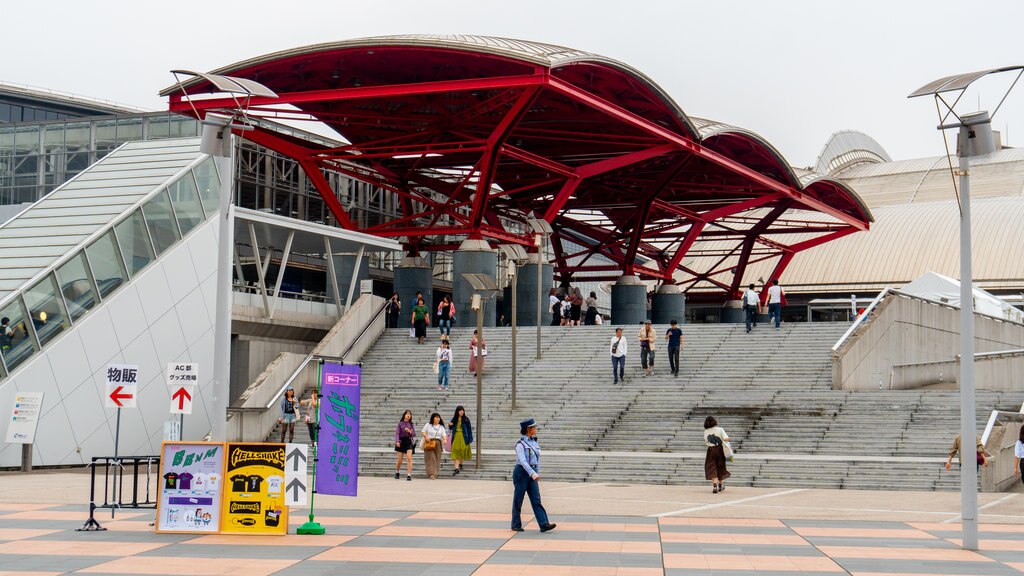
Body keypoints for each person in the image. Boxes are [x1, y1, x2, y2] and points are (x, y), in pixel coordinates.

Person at [511, 418, 556, 533]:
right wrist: (532, 473)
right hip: (522, 472)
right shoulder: (520, 444)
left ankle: (543, 524)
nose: (536, 429)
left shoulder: (534, 442)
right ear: (528, 429)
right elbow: (522, 461)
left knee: (536, 499)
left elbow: (537, 459)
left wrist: (536, 471)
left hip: (532, 472)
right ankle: (515, 524)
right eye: (534, 427)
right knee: (518, 499)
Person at [703, 416, 731, 494]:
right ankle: (720, 485)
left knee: (711, 467)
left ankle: (714, 485)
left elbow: (706, 442)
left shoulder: (706, 431)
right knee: (720, 467)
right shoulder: (720, 429)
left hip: (710, 450)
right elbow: (726, 439)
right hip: (720, 450)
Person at [421, 412, 447, 480]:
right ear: (433, 418)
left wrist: (444, 440)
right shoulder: (428, 425)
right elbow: (423, 432)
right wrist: (426, 436)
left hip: (438, 443)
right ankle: (431, 474)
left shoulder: (441, 427)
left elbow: (444, 435)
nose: (438, 419)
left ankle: (435, 473)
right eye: (436, 417)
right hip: (429, 442)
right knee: (431, 458)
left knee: (437, 459)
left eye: (438, 417)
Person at [449, 406, 473, 475]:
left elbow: (469, 429)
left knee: (462, 452)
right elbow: (450, 427)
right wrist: (450, 425)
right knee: (456, 452)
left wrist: (470, 438)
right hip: (456, 436)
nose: (461, 412)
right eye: (460, 410)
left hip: (464, 437)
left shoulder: (466, 419)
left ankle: (460, 464)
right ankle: (456, 468)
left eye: (462, 410)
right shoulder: (454, 418)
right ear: (457, 411)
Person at [394, 410, 416, 481]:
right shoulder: (400, 424)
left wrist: (409, 431)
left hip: (408, 441)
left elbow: (414, 434)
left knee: (409, 458)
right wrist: (397, 441)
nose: (408, 415)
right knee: (400, 460)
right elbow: (397, 433)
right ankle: (397, 472)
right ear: (404, 415)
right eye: (407, 414)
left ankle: (409, 475)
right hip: (401, 441)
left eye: (409, 414)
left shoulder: (411, 424)